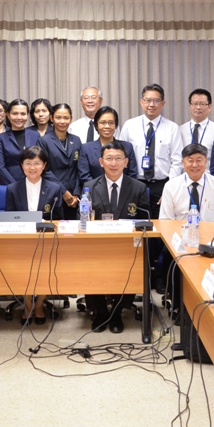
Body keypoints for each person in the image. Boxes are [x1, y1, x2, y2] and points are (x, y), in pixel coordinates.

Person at [120, 84, 183, 288]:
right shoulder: (129, 126)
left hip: (162, 186)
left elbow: (177, 161)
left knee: (160, 230)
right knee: (135, 228)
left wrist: (169, 190)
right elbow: (123, 157)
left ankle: (158, 273)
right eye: (148, 100)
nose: (151, 104)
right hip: (135, 184)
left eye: (156, 100)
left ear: (163, 103)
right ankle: (136, 273)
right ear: (141, 102)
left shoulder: (172, 128)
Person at [85, 142, 151, 333]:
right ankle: (100, 312)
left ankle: (116, 312)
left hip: (128, 243)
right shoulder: (90, 187)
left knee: (134, 265)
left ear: (126, 162)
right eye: (109, 159)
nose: (113, 163)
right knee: (88, 264)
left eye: (118, 159)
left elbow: (145, 220)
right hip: (97, 243)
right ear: (101, 162)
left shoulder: (138, 187)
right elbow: (83, 219)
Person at [4, 146, 66, 325]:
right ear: (22, 165)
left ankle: (39, 305)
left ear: (44, 165)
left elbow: (58, 219)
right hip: (21, 240)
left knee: (46, 266)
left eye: (37, 163)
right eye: (28, 163)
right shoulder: (12, 188)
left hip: (46, 239)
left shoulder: (54, 188)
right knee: (23, 267)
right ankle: (28, 304)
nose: (32, 167)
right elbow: (9, 218)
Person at [159, 144, 214, 222]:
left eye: (199, 160)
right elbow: (166, 220)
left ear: (206, 162)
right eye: (190, 161)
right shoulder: (171, 186)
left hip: (212, 229)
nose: (194, 165)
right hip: (180, 229)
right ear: (183, 163)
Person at [37, 103, 82, 218]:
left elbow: (80, 168)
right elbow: (44, 169)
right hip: (53, 192)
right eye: (58, 117)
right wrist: (63, 191)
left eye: (66, 118)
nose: (62, 121)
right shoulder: (44, 141)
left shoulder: (76, 140)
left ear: (71, 119)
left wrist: (77, 193)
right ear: (51, 118)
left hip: (74, 196)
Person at [77, 106, 137, 183]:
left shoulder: (127, 147)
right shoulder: (86, 148)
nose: (107, 126)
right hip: (95, 189)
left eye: (111, 123)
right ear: (96, 125)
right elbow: (84, 176)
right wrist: (103, 188)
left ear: (116, 125)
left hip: (123, 189)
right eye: (103, 123)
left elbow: (132, 174)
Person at [0, 99, 41, 186]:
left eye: (23, 114)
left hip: (33, 183)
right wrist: (15, 186)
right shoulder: (0, 139)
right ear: (8, 115)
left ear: (27, 115)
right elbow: (0, 167)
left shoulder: (35, 135)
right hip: (9, 185)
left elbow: (40, 161)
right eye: (15, 113)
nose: (19, 117)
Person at [178, 88, 214, 160]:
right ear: (190, 106)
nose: (198, 107)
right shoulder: (180, 130)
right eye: (195, 104)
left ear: (209, 107)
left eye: (202, 104)